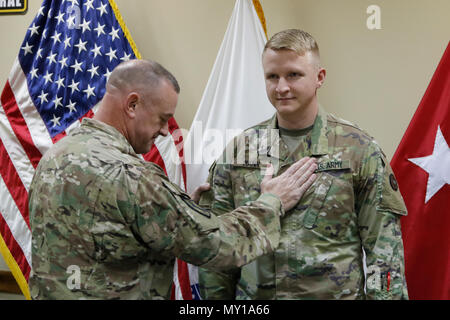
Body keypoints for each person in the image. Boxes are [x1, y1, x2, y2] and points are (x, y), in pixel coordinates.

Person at [28, 59, 317, 300]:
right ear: (132, 105)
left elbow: (97, 236)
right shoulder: (132, 176)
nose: (167, 131)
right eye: (162, 118)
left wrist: (173, 210)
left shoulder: (55, 156)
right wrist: (272, 202)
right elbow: (217, 245)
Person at [198, 29, 409, 300]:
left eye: (293, 75)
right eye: (272, 77)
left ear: (319, 77)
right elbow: (219, 247)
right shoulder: (240, 151)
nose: (281, 87)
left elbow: (384, 252)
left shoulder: (358, 150)